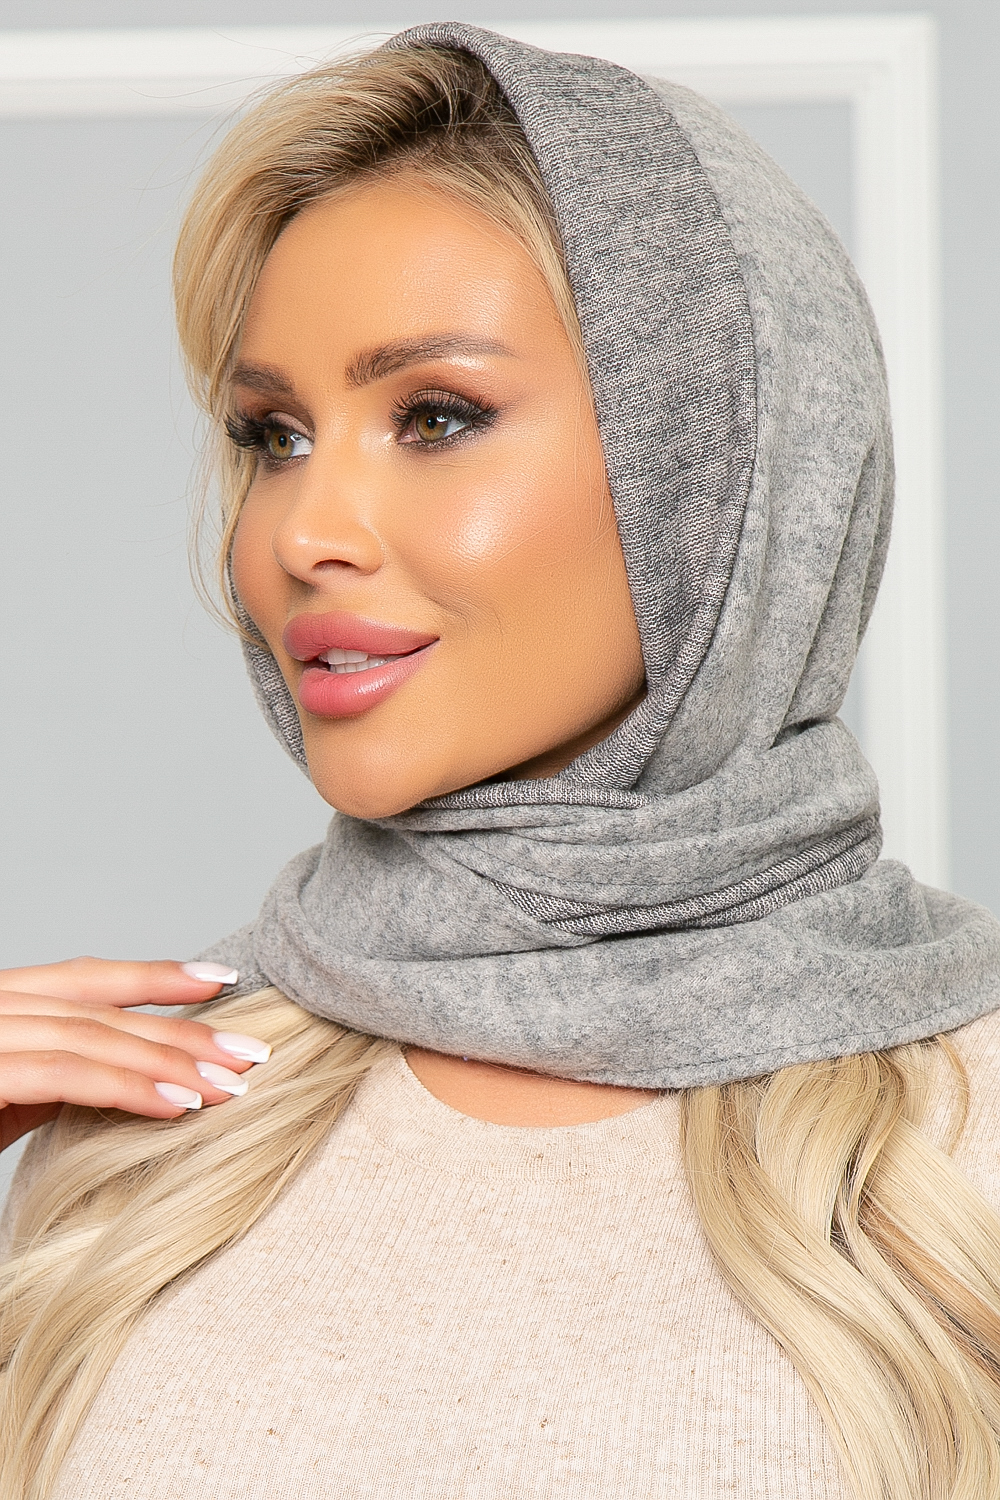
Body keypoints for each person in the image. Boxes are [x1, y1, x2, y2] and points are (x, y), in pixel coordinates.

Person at [1, 23, 1000, 1500]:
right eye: (275, 437)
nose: (302, 534)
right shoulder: (158, 1118)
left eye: (436, 416)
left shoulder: (962, 1139)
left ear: (719, 472)